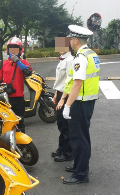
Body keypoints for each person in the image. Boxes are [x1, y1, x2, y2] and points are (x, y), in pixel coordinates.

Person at [60, 25, 100, 184]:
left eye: (70, 39)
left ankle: (81, 174)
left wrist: (67, 105)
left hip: (80, 103)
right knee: (82, 136)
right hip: (87, 102)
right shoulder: (92, 54)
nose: (69, 41)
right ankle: (78, 166)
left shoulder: (81, 57)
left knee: (79, 139)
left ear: (76, 40)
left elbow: (77, 83)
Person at [0, 37, 32, 133]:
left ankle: (23, 146)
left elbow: (28, 72)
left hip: (19, 98)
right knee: (6, 123)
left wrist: (18, 62)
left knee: (20, 123)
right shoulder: (3, 64)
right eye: (11, 50)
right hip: (5, 99)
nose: (13, 53)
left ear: (20, 51)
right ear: (7, 51)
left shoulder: (23, 62)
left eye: (16, 50)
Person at [52, 33, 74, 162]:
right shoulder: (62, 59)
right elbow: (60, 80)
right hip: (60, 93)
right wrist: (56, 94)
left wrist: (62, 98)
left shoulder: (70, 60)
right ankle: (61, 148)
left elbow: (69, 82)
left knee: (66, 125)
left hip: (66, 95)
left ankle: (68, 153)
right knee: (60, 124)